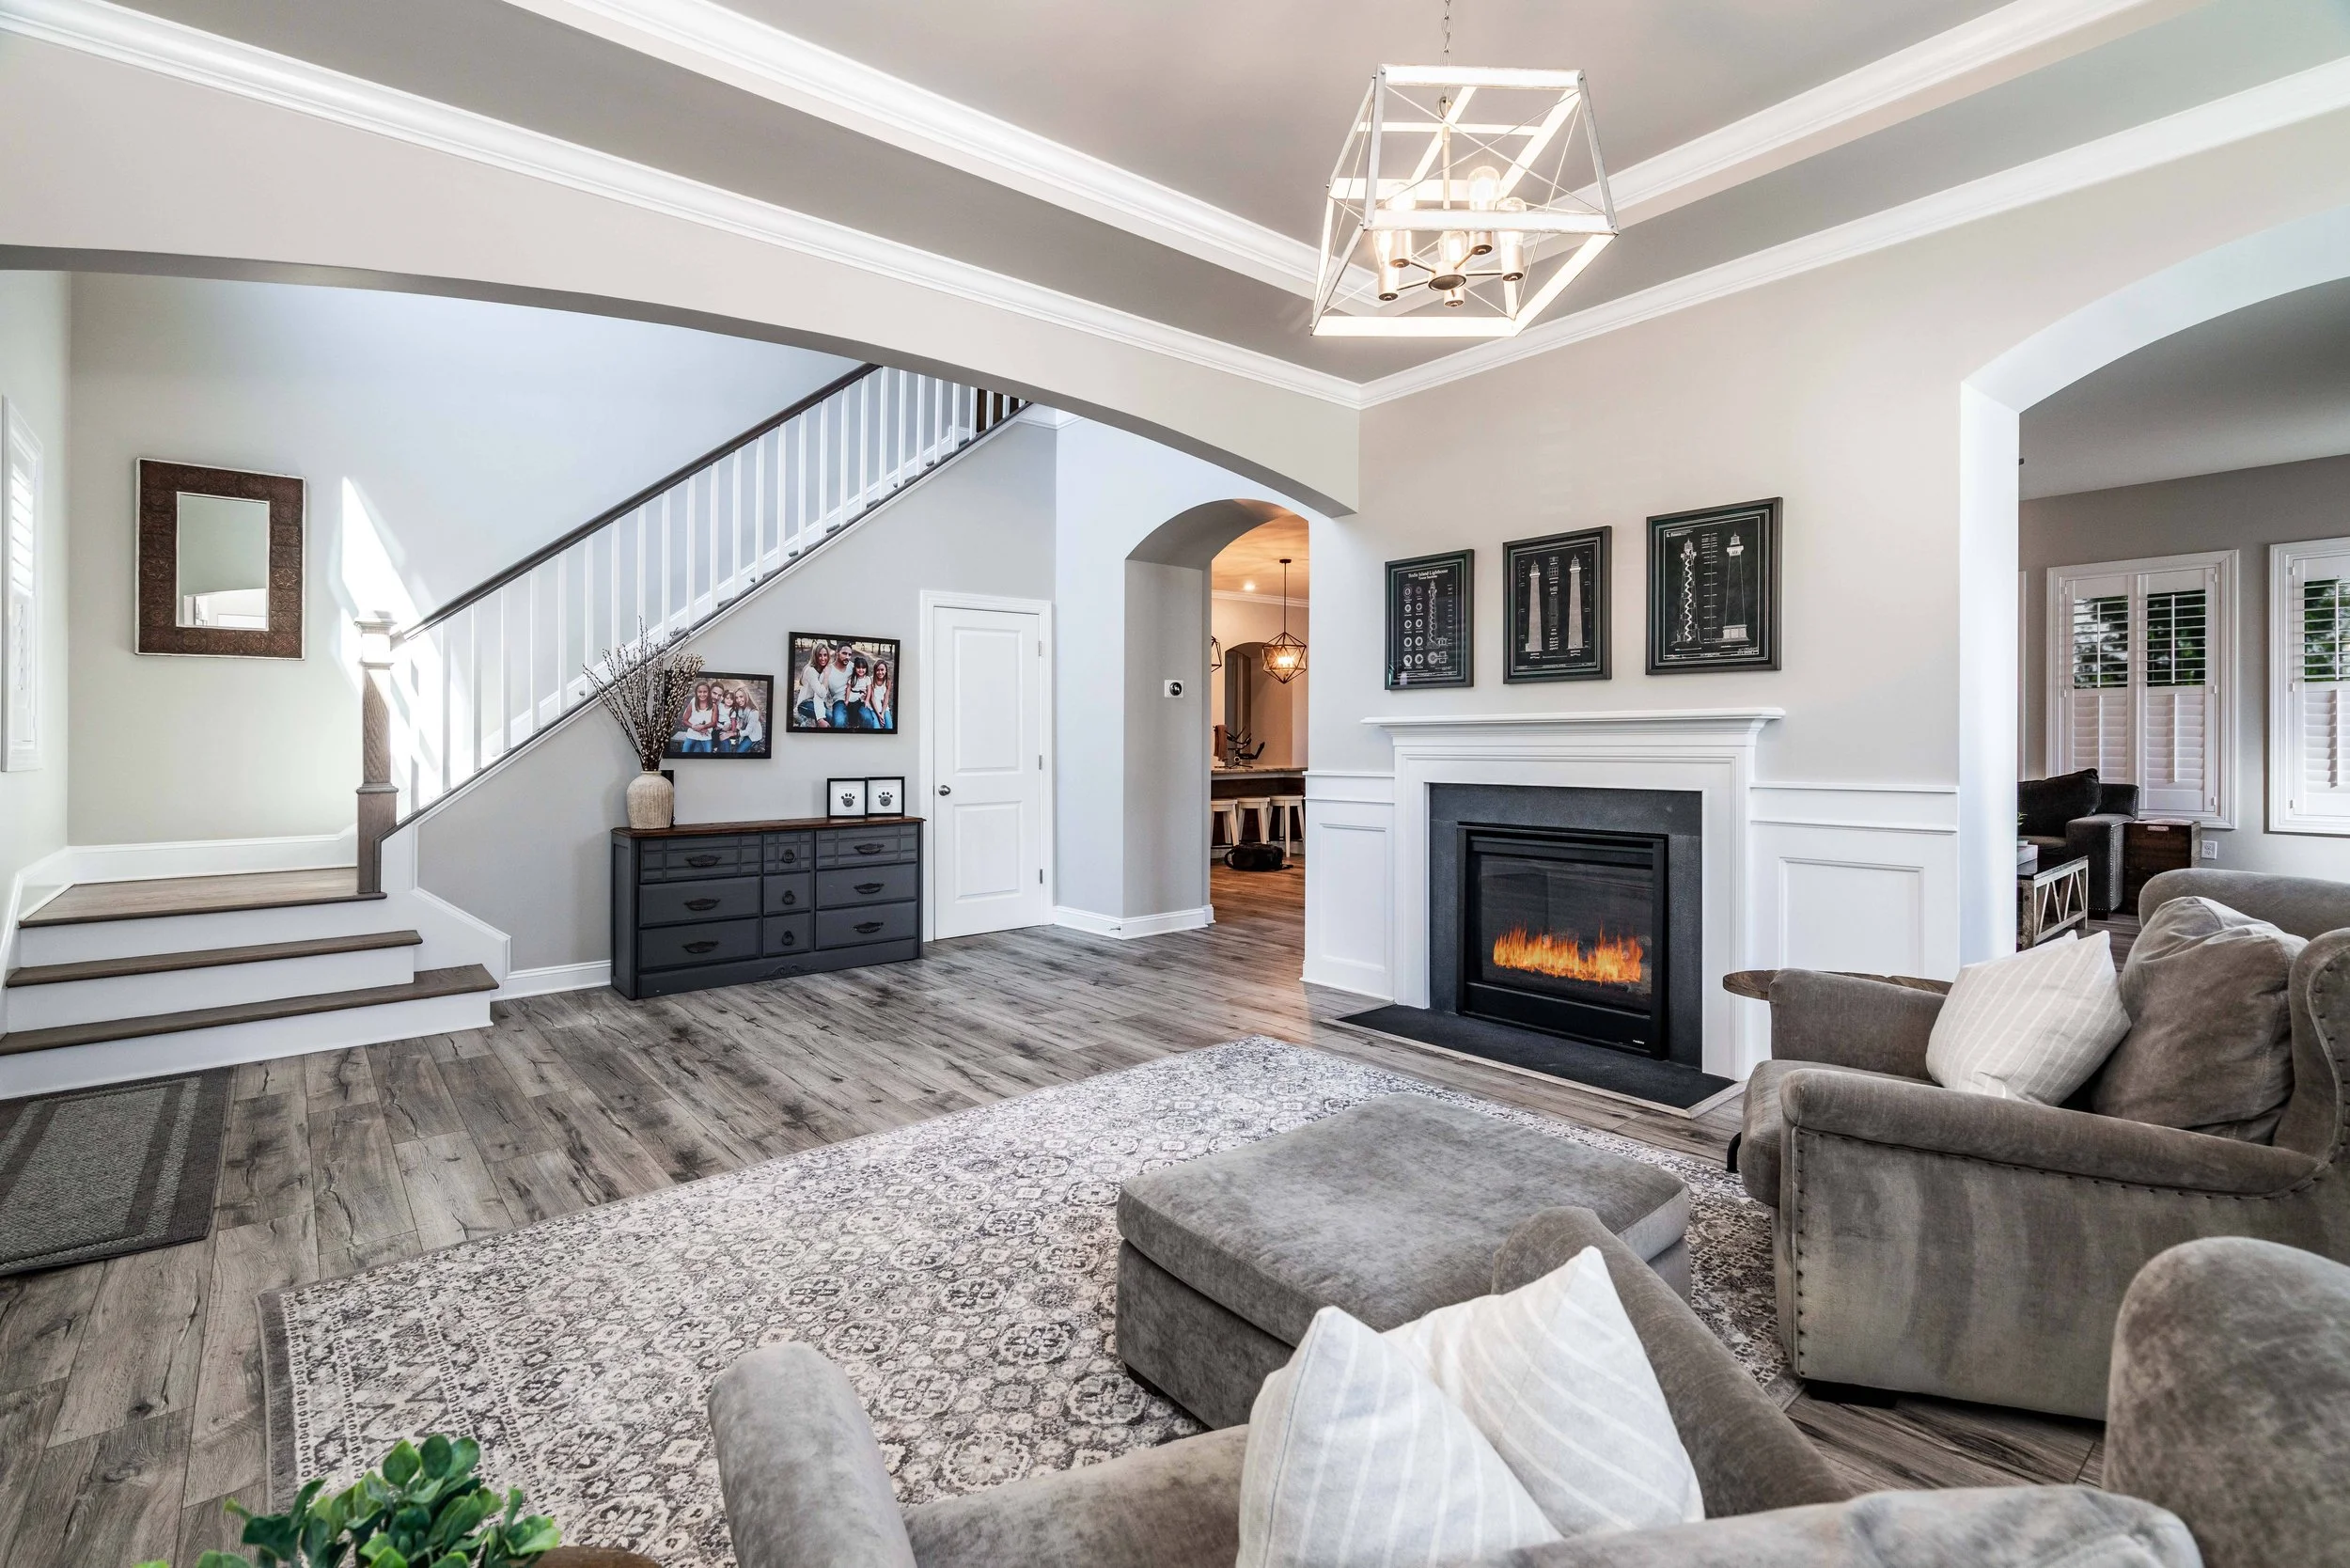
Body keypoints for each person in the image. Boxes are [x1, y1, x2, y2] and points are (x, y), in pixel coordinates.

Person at [792, 642, 831, 729]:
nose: (823, 658)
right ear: (815, 656)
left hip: (816, 703)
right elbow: (821, 693)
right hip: (805, 704)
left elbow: (822, 695)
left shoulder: (823, 670)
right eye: (819, 655)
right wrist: (826, 676)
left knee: (831, 716)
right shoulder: (811, 670)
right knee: (830, 717)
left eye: (825, 655)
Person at [678, 681, 716, 753]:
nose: (702, 694)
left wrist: (703, 727)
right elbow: (684, 720)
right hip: (692, 734)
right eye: (700, 692)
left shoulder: (713, 705)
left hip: (706, 735)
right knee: (685, 752)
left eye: (705, 692)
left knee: (708, 753)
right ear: (696, 692)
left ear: (709, 692)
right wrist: (695, 727)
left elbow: (714, 723)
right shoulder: (693, 702)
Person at [823, 645, 855, 729]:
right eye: (844, 653)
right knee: (839, 722)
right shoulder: (828, 670)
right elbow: (821, 692)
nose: (847, 657)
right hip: (839, 701)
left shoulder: (853, 667)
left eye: (849, 654)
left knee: (867, 718)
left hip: (855, 699)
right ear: (837, 653)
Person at [731, 684, 766, 753]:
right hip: (743, 730)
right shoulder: (740, 708)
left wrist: (733, 734)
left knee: (738, 752)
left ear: (746, 696)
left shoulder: (754, 712)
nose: (739, 700)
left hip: (752, 735)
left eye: (741, 697)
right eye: (736, 698)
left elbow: (748, 732)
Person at [845, 653, 875, 730]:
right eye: (858, 668)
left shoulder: (867, 679)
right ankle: (852, 723)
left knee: (862, 712)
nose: (861, 670)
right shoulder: (852, 678)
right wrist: (847, 700)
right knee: (852, 709)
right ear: (855, 668)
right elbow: (848, 688)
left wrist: (867, 700)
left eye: (863, 668)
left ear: (866, 668)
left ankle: (857, 724)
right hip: (853, 698)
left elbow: (869, 690)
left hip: (862, 699)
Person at [868, 660, 893, 732]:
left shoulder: (888, 682)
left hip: (884, 708)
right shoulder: (871, 680)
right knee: (876, 727)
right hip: (873, 708)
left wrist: (882, 713)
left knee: (889, 727)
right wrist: (878, 715)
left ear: (886, 670)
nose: (880, 672)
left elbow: (886, 698)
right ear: (875, 671)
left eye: (882, 670)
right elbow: (872, 699)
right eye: (877, 670)